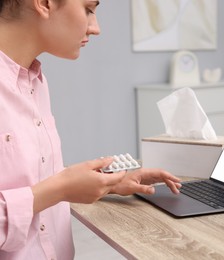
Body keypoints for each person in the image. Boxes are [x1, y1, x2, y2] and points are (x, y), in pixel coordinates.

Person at [0, 0, 181, 259]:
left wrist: (110, 183)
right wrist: (61, 188)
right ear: (44, 3)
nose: (96, 28)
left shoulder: (34, 81)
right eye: (88, 9)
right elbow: (48, 189)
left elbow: (28, 179)